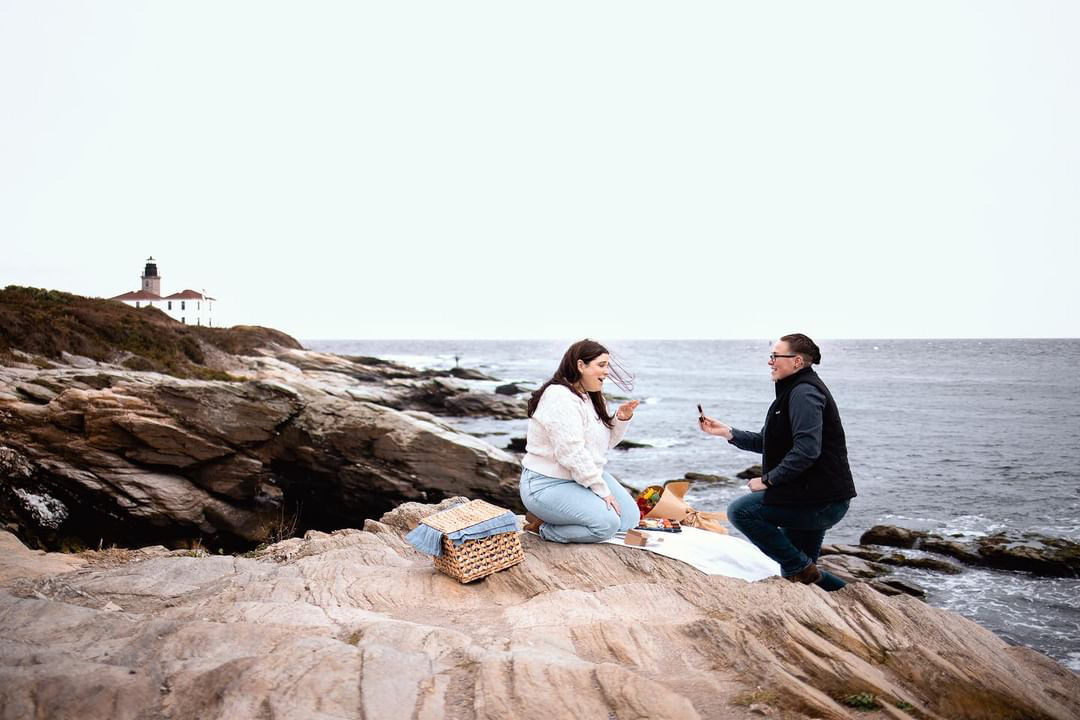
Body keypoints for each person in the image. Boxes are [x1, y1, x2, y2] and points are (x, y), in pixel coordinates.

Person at [698, 333, 856, 590]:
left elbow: (807, 450)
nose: (770, 362)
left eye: (775, 356)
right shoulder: (792, 392)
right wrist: (728, 432)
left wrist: (768, 480)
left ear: (796, 362)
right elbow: (768, 441)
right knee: (798, 580)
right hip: (808, 496)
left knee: (741, 511)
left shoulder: (805, 393)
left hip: (821, 501)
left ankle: (808, 572)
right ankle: (836, 593)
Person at [520, 339, 641, 543]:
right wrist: (601, 490)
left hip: (578, 479)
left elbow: (603, 446)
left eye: (607, 366)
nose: (607, 372)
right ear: (580, 365)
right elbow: (571, 453)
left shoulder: (592, 397)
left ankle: (562, 517)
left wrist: (620, 419)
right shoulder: (559, 397)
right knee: (607, 525)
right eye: (601, 365)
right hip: (546, 483)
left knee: (629, 519)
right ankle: (542, 528)